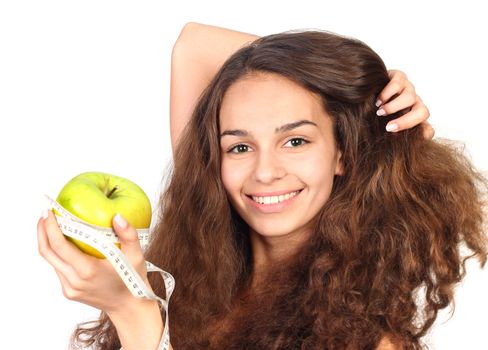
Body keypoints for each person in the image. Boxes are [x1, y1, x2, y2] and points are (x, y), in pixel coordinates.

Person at [37, 23, 487, 350]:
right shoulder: (210, 261)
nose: (264, 172)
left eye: (295, 140)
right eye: (238, 147)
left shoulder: (367, 344)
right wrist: (359, 88)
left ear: (344, 153)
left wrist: (133, 313)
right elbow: (195, 44)